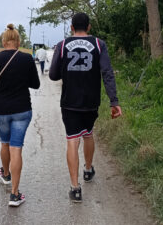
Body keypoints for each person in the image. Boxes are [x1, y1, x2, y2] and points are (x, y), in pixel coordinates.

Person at [49, 13, 122, 202]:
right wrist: (114, 101)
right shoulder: (99, 45)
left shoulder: (62, 45)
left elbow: (53, 76)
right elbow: (107, 73)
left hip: (69, 101)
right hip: (91, 101)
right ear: (89, 27)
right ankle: (88, 170)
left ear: (71, 28)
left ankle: (75, 188)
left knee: (72, 140)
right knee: (88, 133)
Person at [0, 24, 40, 207]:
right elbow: (36, 84)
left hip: (0, 110)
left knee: (4, 143)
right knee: (16, 148)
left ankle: (6, 174)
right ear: (18, 42)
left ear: (3, 42)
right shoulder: (26, 58)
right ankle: (15, 195)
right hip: (22, 109)